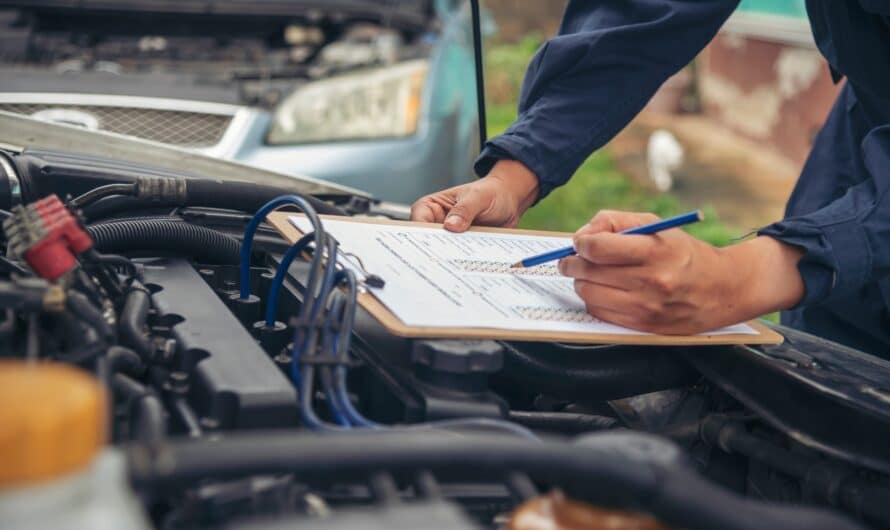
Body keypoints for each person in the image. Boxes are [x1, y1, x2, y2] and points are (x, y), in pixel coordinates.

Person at [410, 1, 890, 356]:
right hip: (865, 134)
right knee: (825, 374)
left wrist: (741, 279)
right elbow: (645, 8)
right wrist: (515, 175)